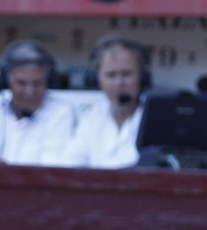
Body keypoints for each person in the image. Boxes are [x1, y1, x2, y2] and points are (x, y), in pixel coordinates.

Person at [0, 40, 76, 166]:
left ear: (48, 82)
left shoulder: (61, 111)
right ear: (7, 83)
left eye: (37, 83)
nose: (29, 92)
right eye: (22, 83)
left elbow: (51, 168)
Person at [64, 38, 149, 169]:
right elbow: (71, 164)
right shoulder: (92, 117)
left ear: (142, 77)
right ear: (97, 79)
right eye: (111, 75)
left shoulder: (156, 118)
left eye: (126, 74)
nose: (119, 83)